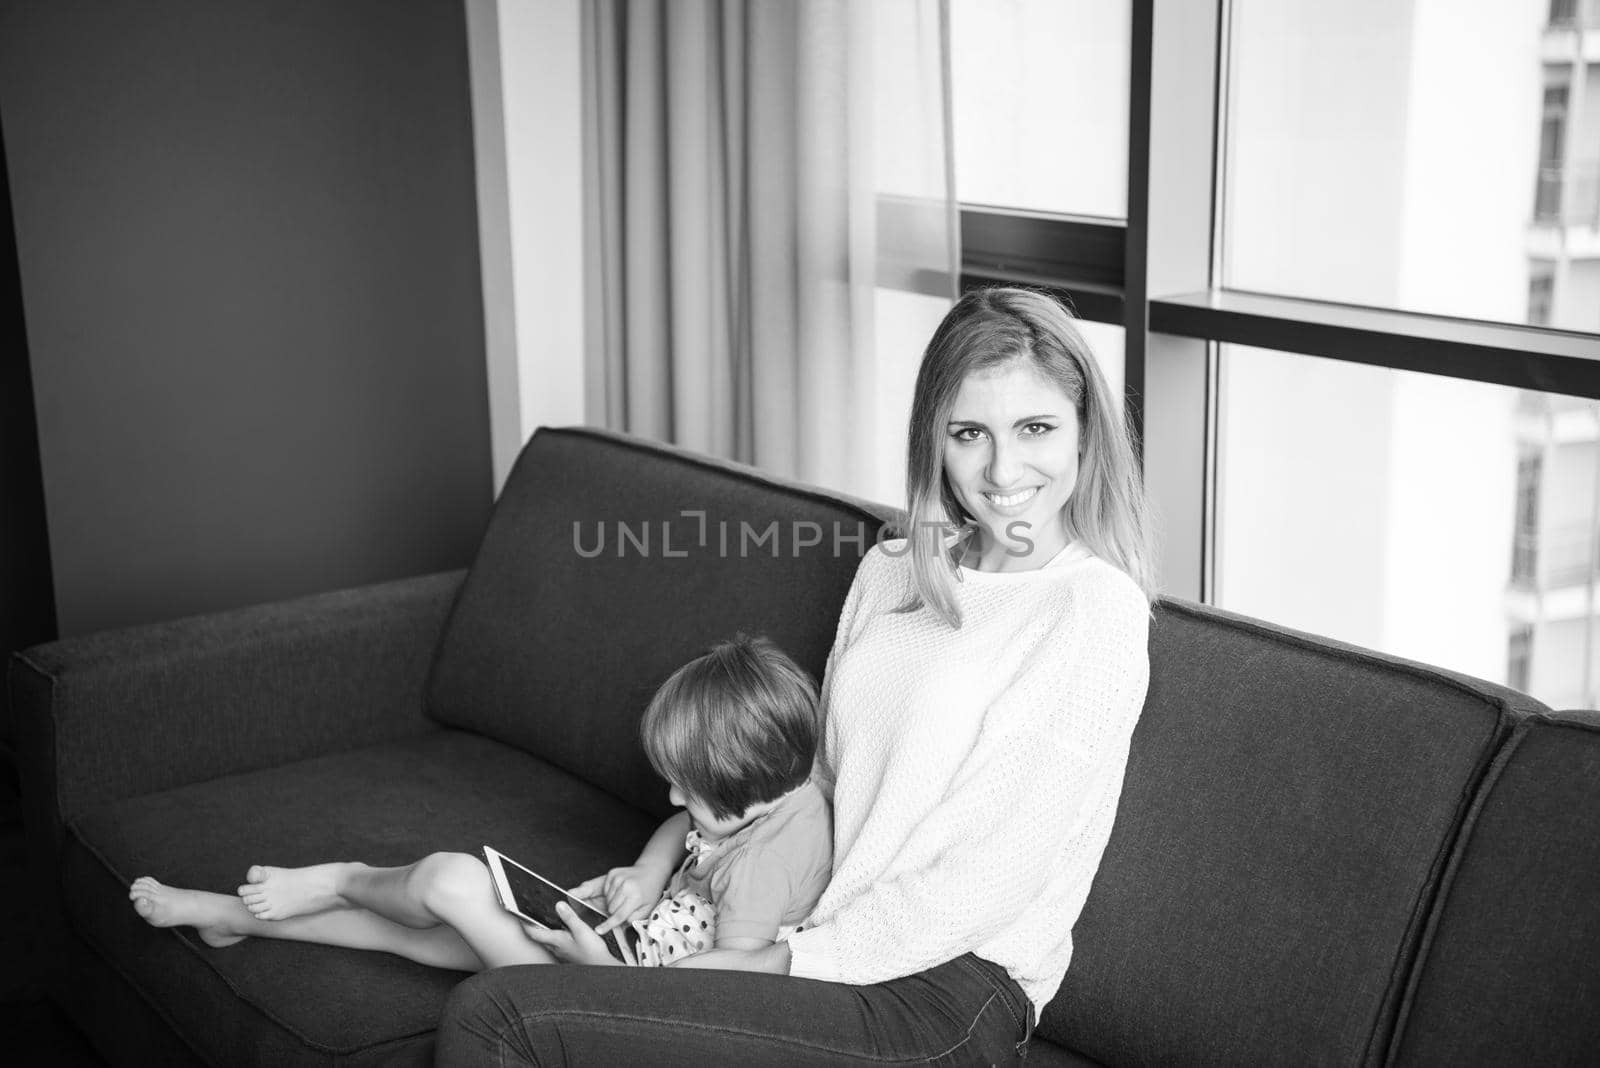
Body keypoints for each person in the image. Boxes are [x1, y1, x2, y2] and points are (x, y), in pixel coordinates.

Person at [434, 286, 1156, 1066]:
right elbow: (815, 780)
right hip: (814, 929)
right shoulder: (892, 571)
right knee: (527, 976)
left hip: (947, 986)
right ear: (934, 442)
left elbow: (988, 882)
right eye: (970, 432)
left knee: (499, 1014)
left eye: (1036, 428)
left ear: (1086, 432)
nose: (1003, 468)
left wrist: (775, 962)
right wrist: (679, 890)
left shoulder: (1092, 611)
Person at [128, 635, 831, 974]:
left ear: (751, 788)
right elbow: (687, 824)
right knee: (413, 933)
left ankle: (340, 875)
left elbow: (737, 979)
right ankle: (228, 917)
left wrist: (604, 974)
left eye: (695, 791)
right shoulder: (772, 793)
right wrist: (648, 875)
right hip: (614, 946)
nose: (676, 800)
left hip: (616, 992)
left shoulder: (771, 862)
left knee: (448, 879)